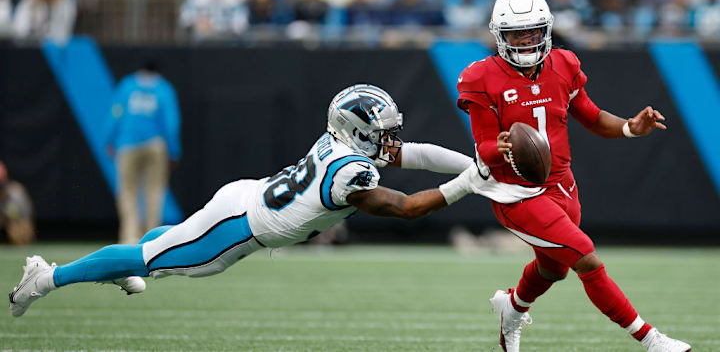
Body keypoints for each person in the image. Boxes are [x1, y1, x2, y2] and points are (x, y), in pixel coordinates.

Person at [9, 84, 542, 318]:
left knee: (163, 250)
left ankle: (126, 267)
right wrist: (470, 182)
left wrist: (476, 161)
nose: (391, 140)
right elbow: (406, 208)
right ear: (358, 131)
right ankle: (46, 276)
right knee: (154, 258)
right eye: (382, 131)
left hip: (245, 198)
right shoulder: (351, 171)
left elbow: (417, 153)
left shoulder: (344, 143)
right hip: (240, 227)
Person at [455, 0, 691, 352]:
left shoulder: (563, 64)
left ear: (546, 30)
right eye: (517, 33)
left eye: (533, 31)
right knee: (586, 258)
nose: (527, 39)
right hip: (516, 194)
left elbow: (593, 118)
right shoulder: (481, 77)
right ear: (500, 36)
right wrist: (499, 148)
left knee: (553, 268)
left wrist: (630, 126)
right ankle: (651, 341)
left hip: (563, 187)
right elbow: (484, 147)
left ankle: (512, 307)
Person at [105, 60, 181, 244]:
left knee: (127, 192)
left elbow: (115, 113)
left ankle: (130, 238)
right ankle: (152, 239)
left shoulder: (127, 85)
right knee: (155, 191)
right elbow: (171, 122)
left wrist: (109, 139)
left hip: (127, 144)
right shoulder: (164, 88)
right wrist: (174, 150)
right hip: (155, 145)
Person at [0, 161, 35, 246]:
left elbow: (23, 215)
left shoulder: (14, 191)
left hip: (14, 211)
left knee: (19, 227)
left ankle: (22, 244)